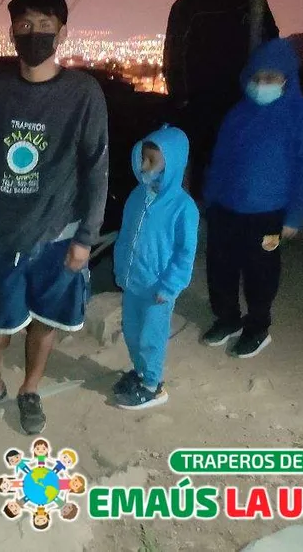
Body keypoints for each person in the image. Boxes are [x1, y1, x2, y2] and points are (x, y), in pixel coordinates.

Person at [0, 0, 109, 435]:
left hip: (58, 233)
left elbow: (96, 168)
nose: (34, 33)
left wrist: (85, 237)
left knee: (46, 320)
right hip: (4, 232)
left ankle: (30, 389)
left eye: (45, 25)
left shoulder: (82, 93)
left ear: (62, 32)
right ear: (12, 31)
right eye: (25, 25)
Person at [200, 39, 303, 358]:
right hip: (226, 207)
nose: (262, 84)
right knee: (220, 267)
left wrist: (296, 215)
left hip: (268, 213)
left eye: (271, 77)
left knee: (261, 272)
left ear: (286, 78)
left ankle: (257, 327)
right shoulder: (238, 113)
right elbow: (220, 159)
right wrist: (210, 198)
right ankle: (227, 318)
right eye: (257, 77)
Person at [164, 0, 279, 200]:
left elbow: (271, 40)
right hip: (202, 107)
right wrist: (182, 100)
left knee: (239, 164)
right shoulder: (188, 5)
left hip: (243, 100)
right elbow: (174, 58)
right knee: (205, 169)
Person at [113, 126, 198, 410]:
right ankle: (140, 373)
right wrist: (121, 269)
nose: (144, 166)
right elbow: (126, 235)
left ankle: (153, 385)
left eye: (152, 161)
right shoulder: (137, 196)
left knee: (151, 337)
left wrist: (170, 286)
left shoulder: (184, 208)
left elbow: (185, 253)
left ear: (172, 164)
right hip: (133, 282)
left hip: (158, 289)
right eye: (143, 158)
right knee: (131, 331)